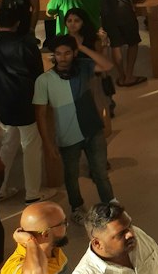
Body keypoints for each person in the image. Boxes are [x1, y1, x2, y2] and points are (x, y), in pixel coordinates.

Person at [34, 34, 116, 221]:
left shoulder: (84, 67)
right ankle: (77, 208)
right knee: (71, 176)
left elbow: (107, 65)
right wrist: (48, 144)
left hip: (92, 130)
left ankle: (111, 206)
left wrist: (84, 48)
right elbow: (40, 114)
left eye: (67, 53)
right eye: (59, 54)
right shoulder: (44, 81)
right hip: (67, 136)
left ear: (74, 53)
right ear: (53, 55)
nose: (63, 58)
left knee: (101, 172)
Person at [0, 0, 45, 201]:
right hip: (25, 100)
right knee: (31, 146)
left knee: (8, 143)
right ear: (17, 23)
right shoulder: (26, 44)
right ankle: (33, 193)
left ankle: (0, 188)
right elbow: (39, 75)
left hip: (2, 102)